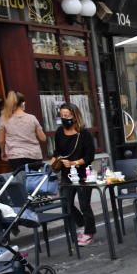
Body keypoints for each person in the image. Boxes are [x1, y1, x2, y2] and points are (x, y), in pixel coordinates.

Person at [49, 103, 96, 246]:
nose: (64, 118)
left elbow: (90, 156)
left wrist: (74, 163)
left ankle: (89, 232)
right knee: (66, 203)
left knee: (84, 204)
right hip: (65, 174)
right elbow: (57, 151)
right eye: (62, 115)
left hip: (83, 174)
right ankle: (82, 223)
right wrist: (53, 160)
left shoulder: (84, 134)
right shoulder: (59, 132)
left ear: (75, 116)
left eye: (67, 115)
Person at [0, 91, 46, 173]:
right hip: (34, 155)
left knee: (20, 182)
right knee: (35, 181)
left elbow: (1, 140)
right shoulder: (32, 118)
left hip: (15, 156)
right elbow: (43, 138)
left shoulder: (4, 118)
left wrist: (3, 152)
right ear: (23, 103)